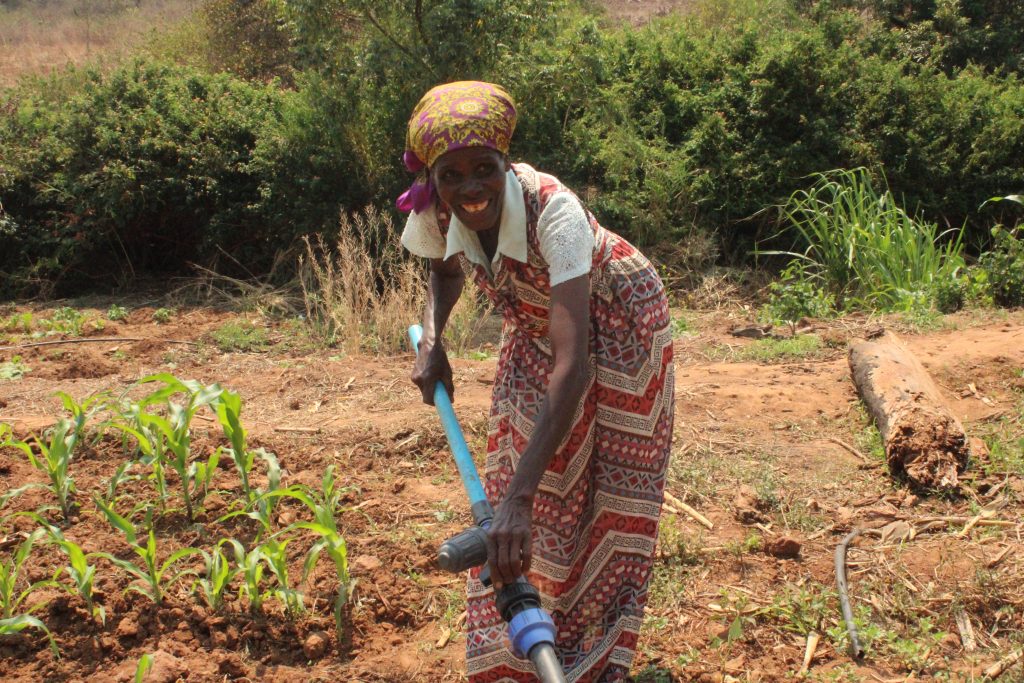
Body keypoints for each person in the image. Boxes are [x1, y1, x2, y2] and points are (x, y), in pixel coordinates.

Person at [401, 81, 674, 683]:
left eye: (485, 169)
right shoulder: (437, 204)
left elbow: (572, 365)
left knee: (609, 493)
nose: (471, 188)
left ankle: (595, 658)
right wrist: (435, 337)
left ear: (506, 163)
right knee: (510, 488)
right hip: (531, 325)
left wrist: (520, 502)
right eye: (453, 175)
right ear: (434, 179)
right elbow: (444, 269)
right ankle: (516, 656)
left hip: (620, 324)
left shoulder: (557, 211)